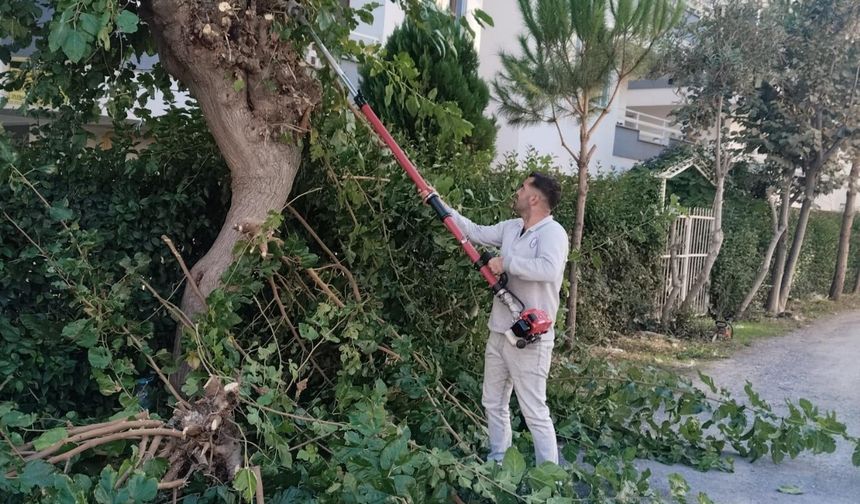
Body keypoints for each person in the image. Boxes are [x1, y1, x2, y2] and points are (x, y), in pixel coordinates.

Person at [421, 172, 568, 465]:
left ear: (535, 197)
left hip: (530, 337)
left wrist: (506, 263)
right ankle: (498, 462)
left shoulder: (554, 234)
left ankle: (549, 481)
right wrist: (438, 202)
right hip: (500, 330)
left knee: (534, 411)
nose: (517, 191)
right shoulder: (512, 228)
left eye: (523, 187)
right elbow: (473, 231)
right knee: (493, 401)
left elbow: (549, 270)